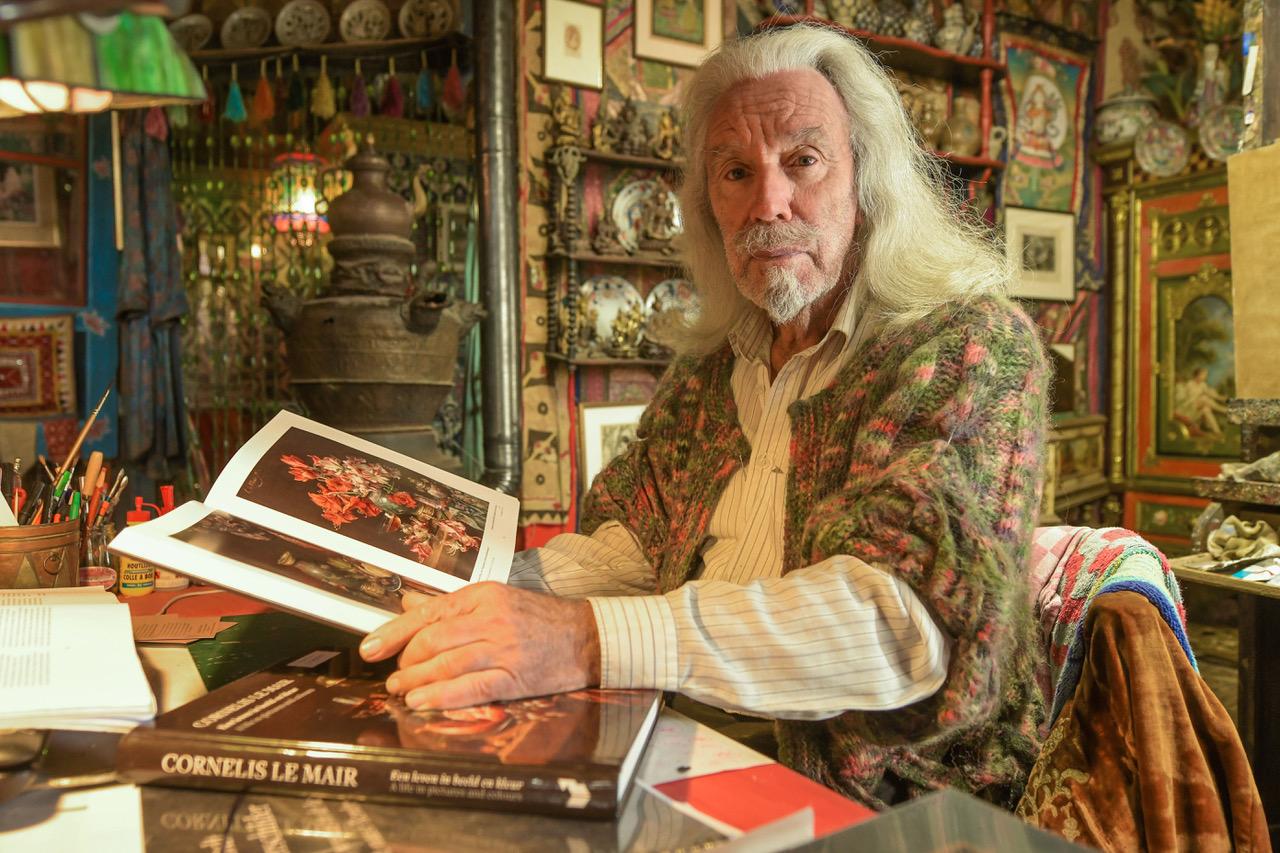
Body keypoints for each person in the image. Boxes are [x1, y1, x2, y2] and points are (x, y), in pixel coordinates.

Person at [359, 23, 1049, 810]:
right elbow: (639, 543)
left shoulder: (968, 347)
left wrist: (585, 639)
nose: (769, 202)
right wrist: (475, 589)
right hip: (678, 729)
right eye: (734, 172)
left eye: (803, 160)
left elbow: (896, 624)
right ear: (706, 208)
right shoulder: (711, 369)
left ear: (869, 179)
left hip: (893, 793)